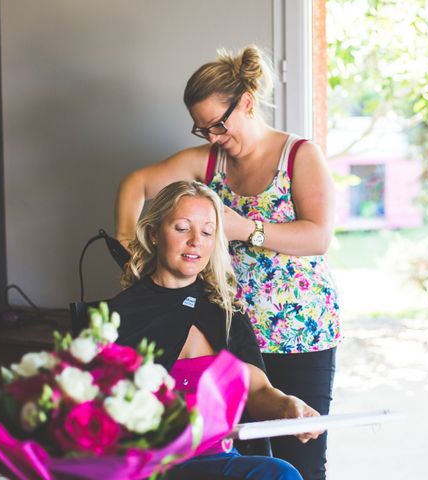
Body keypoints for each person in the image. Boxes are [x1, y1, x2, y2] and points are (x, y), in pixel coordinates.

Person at [115, 45, 341, 479]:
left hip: (298, 332)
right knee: (242, 453)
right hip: (231, 329)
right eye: (204, 130)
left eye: (218, 125)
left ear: (248, 103)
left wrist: (246, 229)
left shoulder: (299, 156)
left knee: (302, 458)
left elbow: (319, 236)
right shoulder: (209, 161)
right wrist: (131, 254)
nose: (213, 137)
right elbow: (135, 184)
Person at [110, 181, 322, 480]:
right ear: (155, 233)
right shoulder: (118, 316)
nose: (196, 240)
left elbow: (258, 391)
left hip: (216, 462)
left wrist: (289, 406)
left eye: (208, 232)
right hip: (145, 467)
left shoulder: (227, 314)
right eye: (183, 228)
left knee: (278, 473)